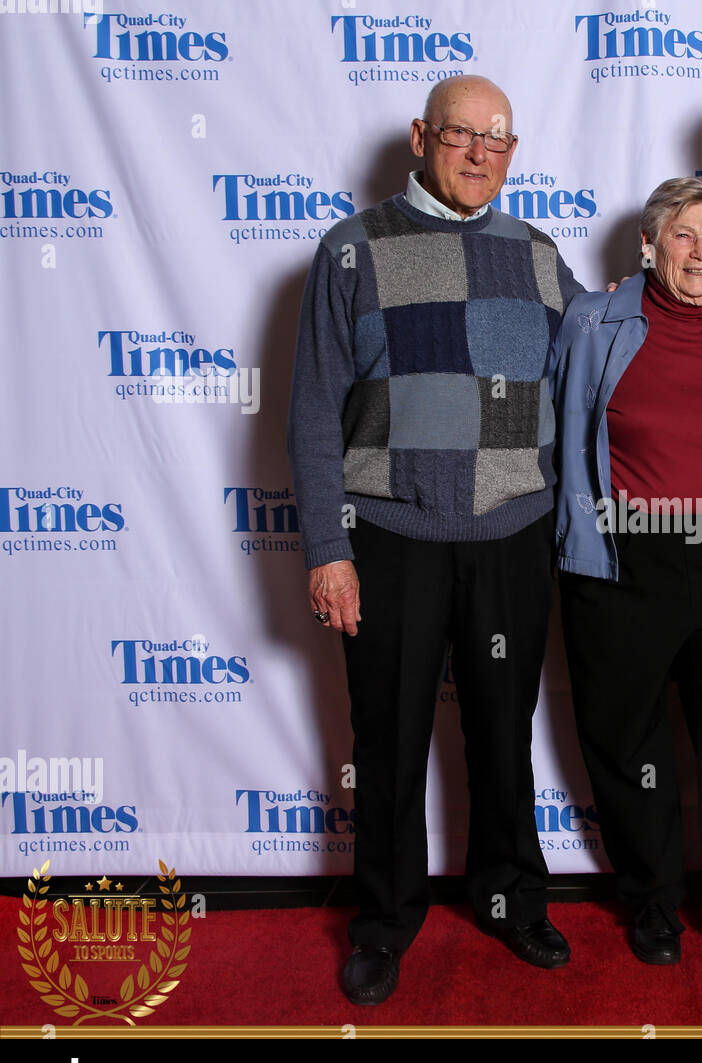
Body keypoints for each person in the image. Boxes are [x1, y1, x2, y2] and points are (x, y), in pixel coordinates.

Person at [288, 75, 584, 1006]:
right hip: (391, 534)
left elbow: (601, 347)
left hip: (511, 532)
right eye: (462, 135)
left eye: (499, 139)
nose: (480, 154)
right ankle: (383, 922)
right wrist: (328, 550)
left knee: (504, 734)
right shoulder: (352, 251)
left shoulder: (537, 255)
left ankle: (511, 900)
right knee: (388, 740)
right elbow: (311, 414)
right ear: (422, 136)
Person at [549, 177, 702, 978]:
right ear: (649, 245)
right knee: (627, 745)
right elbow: (556, 431)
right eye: (683, 235)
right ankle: (651, 904)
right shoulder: (593, 320)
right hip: (622, 557)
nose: (700, 252)